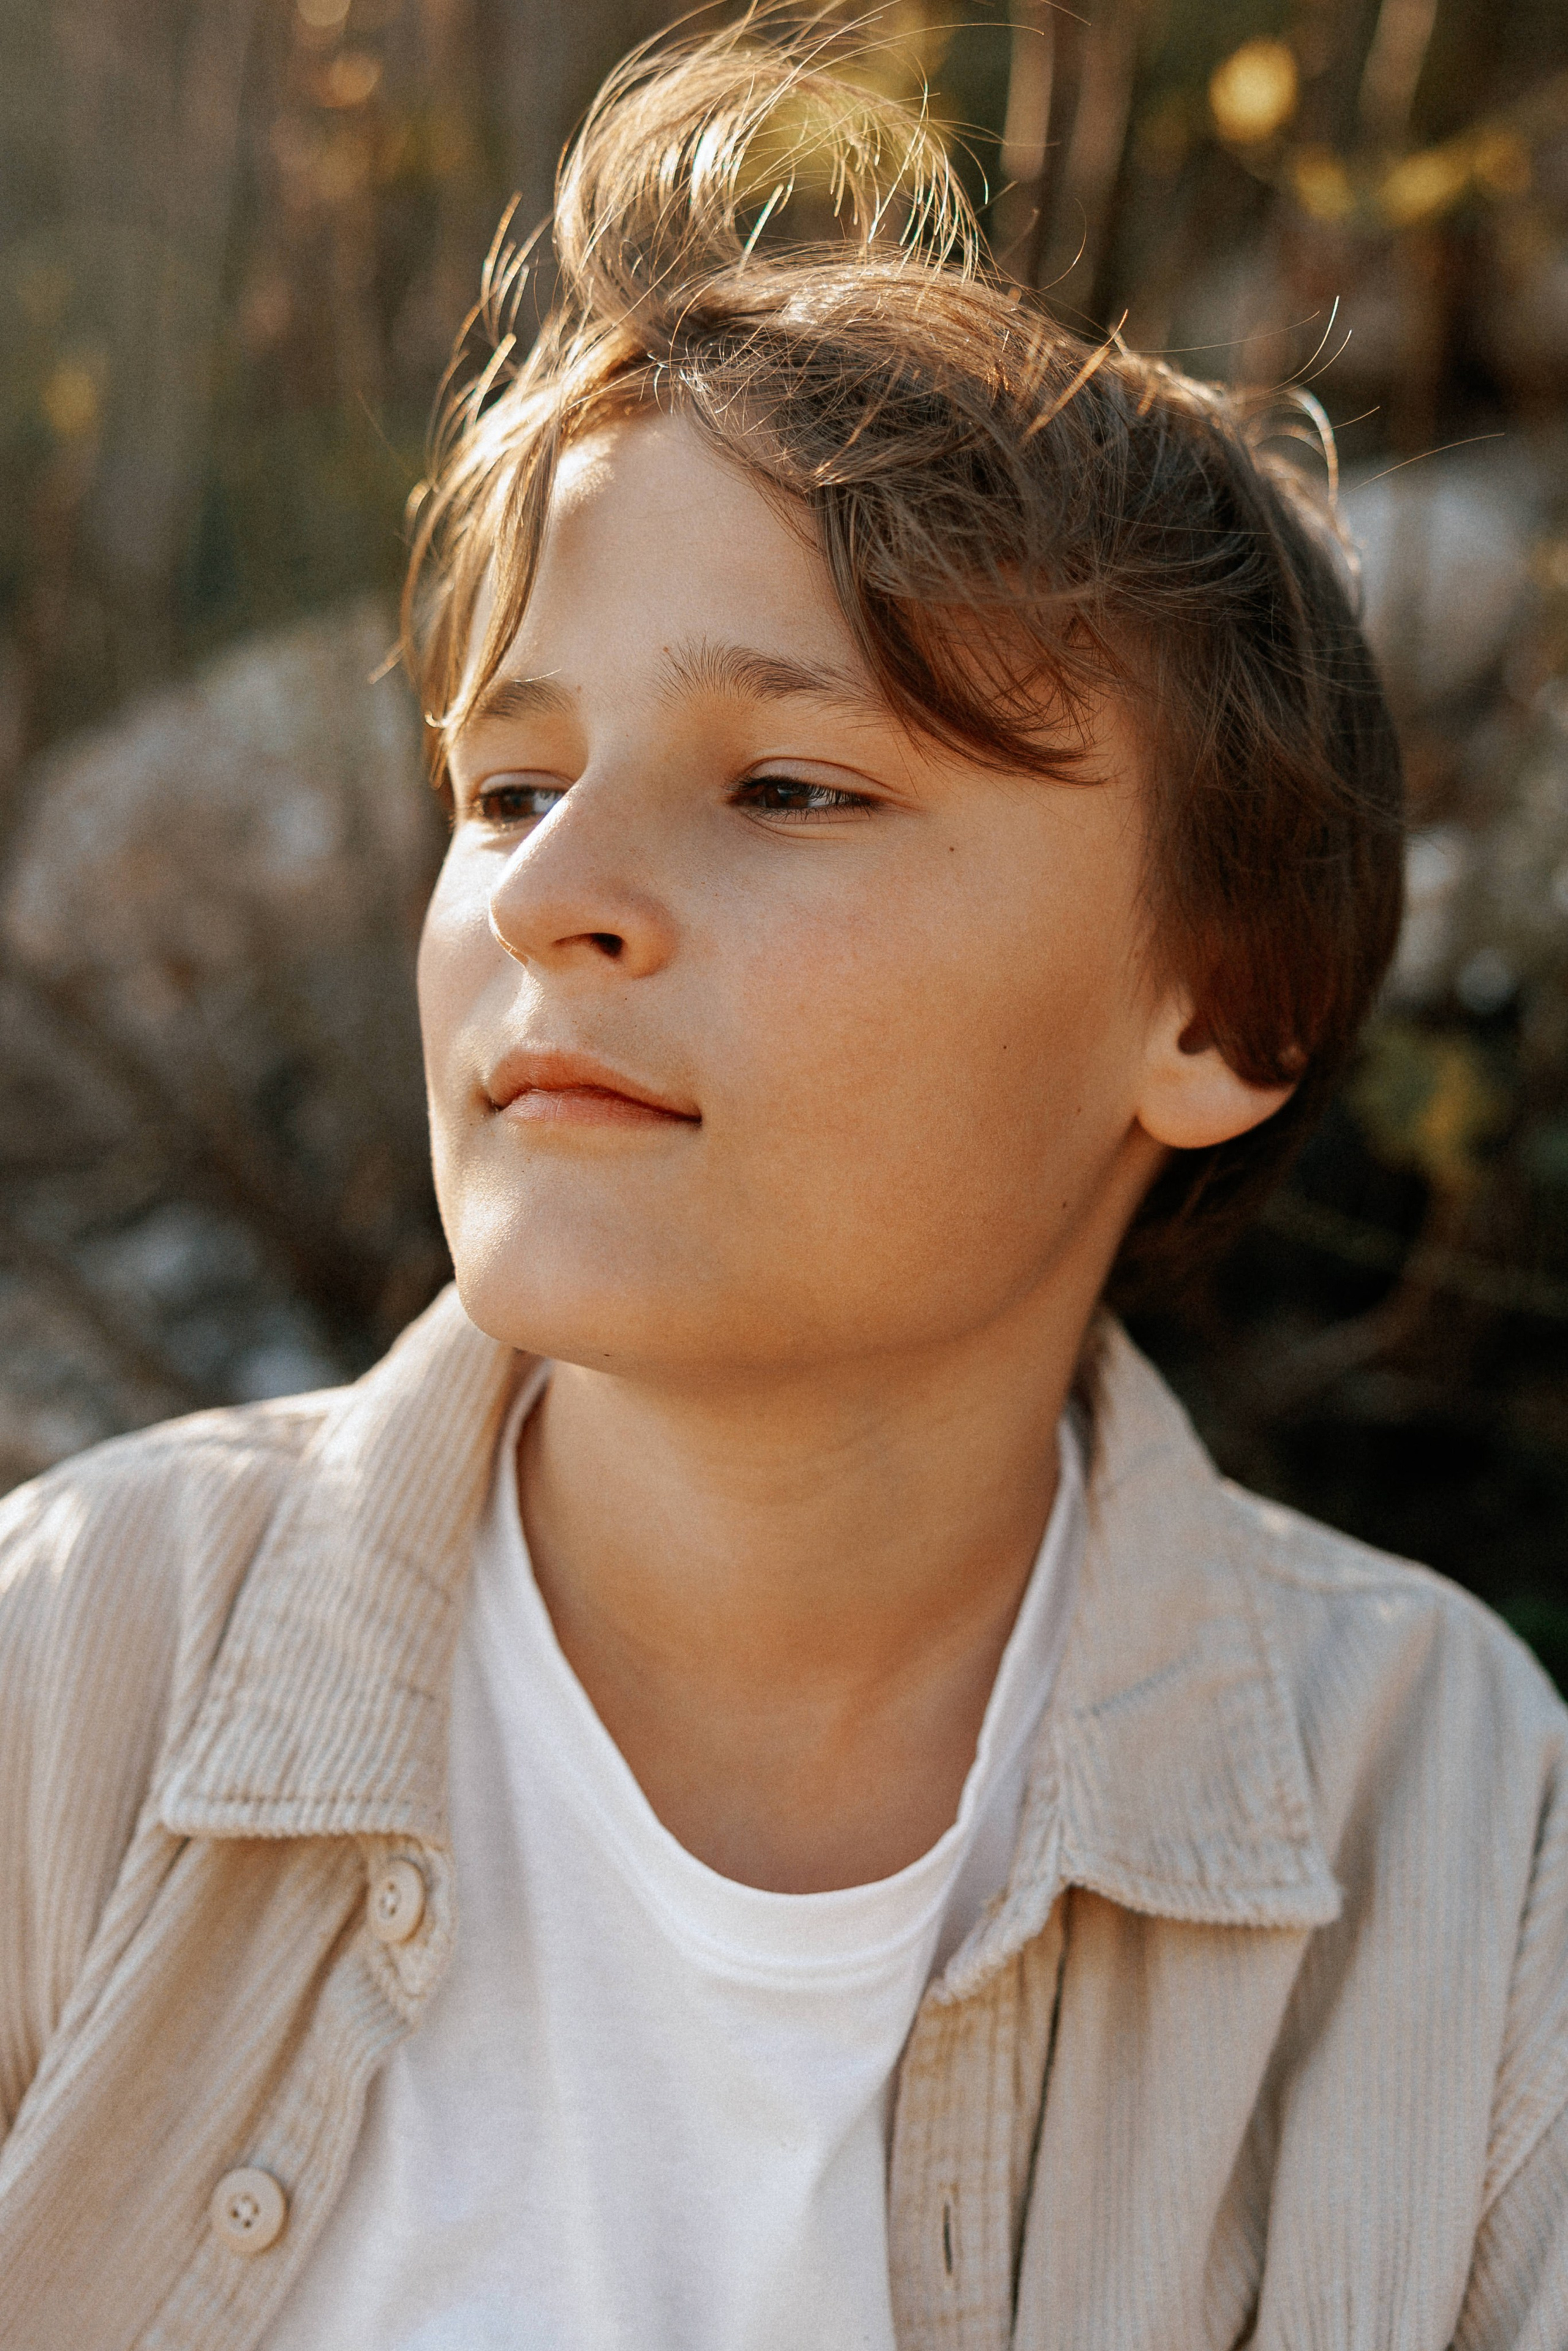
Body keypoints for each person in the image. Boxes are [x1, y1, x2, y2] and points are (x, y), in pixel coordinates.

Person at [2, 22, 1565, 2351]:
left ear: (1218, 1018)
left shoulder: (1458, 1831)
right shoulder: (67, 1668)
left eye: (794, 792)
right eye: (513, 788)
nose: (556, 899)